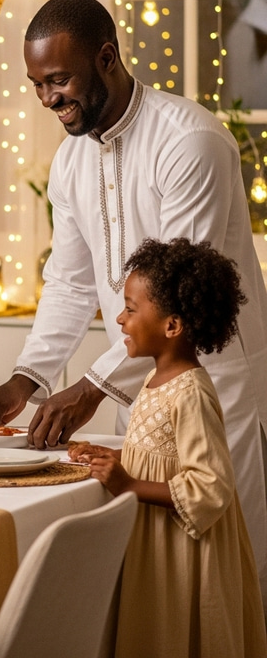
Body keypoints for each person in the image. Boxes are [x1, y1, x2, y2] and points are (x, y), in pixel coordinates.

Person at [0, 0, 267, 607]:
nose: (48, 98)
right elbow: (72, 283)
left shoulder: (191, 141)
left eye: (59, 79)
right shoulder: (72, 160)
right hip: (142, 400)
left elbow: (176, 297)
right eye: (37, 84)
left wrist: (91, 387)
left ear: (106, 58)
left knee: (227, 584)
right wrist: (27, 379)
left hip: (216, 393)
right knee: (159, 582)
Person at [68, 238, 267, 656]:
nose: (119, 319)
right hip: (156, 542)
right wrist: (115, 458)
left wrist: (127, 486)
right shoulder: (157, 380)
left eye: (131, 308)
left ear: (172, 326)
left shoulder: (190, 392)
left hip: (185, 552)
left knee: (178, 633)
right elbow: (162, 456)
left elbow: (211, 486)